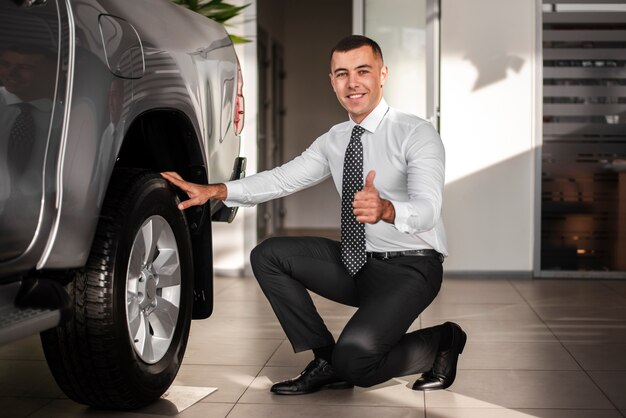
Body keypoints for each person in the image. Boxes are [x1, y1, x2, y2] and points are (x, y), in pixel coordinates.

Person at [161, 35, 467, 395]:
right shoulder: (335, 139)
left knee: (358, 363)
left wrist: (387, 210)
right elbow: (283, 178)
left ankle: (443, 339)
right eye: (342, 74)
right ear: (332, 81)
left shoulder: (416, 133)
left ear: (383, 75)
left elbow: (428, 210)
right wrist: (217, 191)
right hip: (359, 264)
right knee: (269, 255)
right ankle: (326, 360)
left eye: (363, 71)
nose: (352, 83)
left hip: (412, 267)